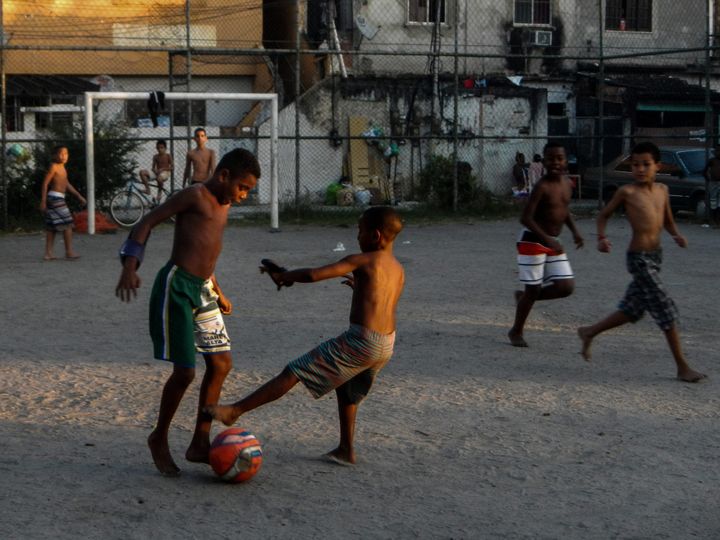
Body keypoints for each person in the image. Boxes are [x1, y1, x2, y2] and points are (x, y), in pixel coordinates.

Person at [206, 206, 405, 466]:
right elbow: (383, 298)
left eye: (360, 231)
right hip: (386, 343)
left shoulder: (362, 260)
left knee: (295, 371)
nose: (357, 236)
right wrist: (361, 288)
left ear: (375, 236)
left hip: (362, 341)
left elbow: (314, 274)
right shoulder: (397, 268)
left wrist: (284, 275)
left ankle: (235, 410)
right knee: (347, 391)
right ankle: (346, 450)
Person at [115, 148, 261, 476]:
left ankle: (200, 441)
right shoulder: (194, 196)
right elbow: (147, 222)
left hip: (204, 288)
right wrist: (130, 265)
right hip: (177, 286)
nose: (242, 195)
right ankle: (159, 437)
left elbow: (207, 250)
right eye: (242, 187)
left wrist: (218, 290)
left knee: (221, 364)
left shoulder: (223, 205)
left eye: (248, 191)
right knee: (185, 373)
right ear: (223, 175)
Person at [577, 141, 706, 383]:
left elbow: (666, 220)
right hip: (638, 259)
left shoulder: (663, 191)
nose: (640, 169)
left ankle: (589, 332)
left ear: (658, 166)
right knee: (665, 308)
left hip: (656, 258)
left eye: (646, 164)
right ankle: (682, 366)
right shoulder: (627, 192)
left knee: (632, 310)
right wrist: (601, 239)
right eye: (635, 165)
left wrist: (676, 235)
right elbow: (604, 215)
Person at [508, 141, 584, 347]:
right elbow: (526, 218)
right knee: (533, 289)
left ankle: (523, 297)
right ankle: (516, 331)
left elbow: (563, 209)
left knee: (565, 287)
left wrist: (575, 231)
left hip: (552, 241)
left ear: (566, 161)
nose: (555, 163)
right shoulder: (542, 186)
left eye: (559, 158)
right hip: (532, 240)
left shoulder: (567, 184)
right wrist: (547, 239)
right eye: (550, 159)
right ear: (544, 161)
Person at [40, 145, 86, 261]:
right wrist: (43, 201)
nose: (64, 156)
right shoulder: (54, 167)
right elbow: (45, 184)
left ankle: (48, 253)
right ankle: (69, 251)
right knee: (68, 224)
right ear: (55, 155)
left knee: (52, 227)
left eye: (66, 154)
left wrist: (78, 196)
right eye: (61, 153)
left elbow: (66, 184)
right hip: (55, 199)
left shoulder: (63, 168)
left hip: (59, 198)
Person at [703, 145, 720, 227]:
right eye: (717, 151)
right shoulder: (712, 161)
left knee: (719, 203)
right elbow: (704, 171)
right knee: (713, 201)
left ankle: (718, 220)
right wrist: (709, 179)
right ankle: (712, 219)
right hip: (713, 183)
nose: (718, 153)